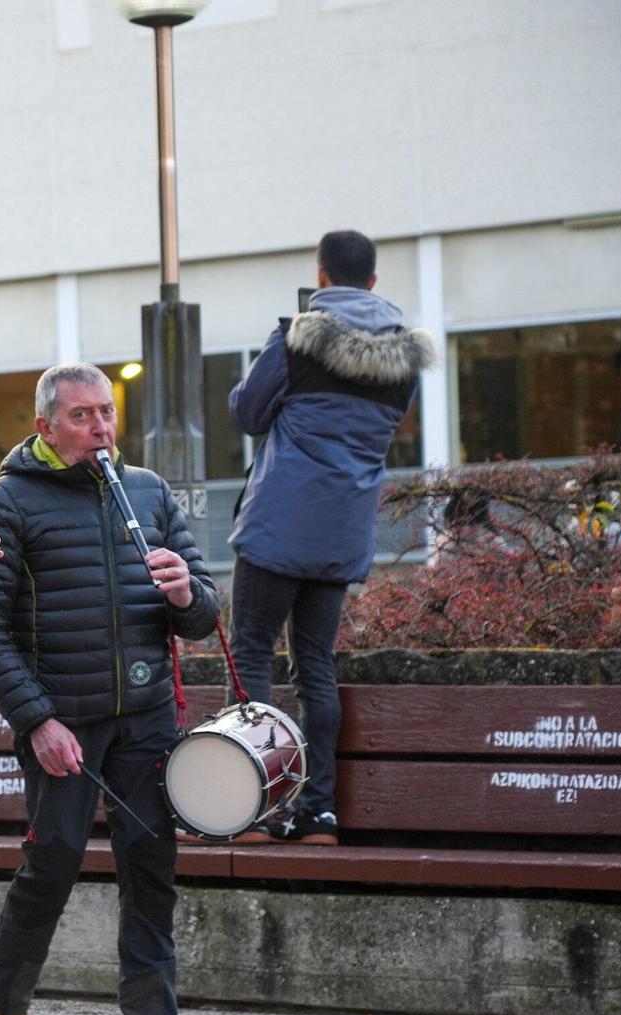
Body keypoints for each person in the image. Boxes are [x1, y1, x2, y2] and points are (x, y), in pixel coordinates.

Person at [0, 363, 221, 1015]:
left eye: (106, 412)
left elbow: (202, 611)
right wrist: (37, 719)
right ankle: (4, 1001)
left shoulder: (147, 491)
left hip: (143, 715)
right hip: (61, 720)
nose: (100, 427)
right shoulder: (9, 500)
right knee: (55, 862)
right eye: (81, 415)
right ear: (45, 427)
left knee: (151, 867)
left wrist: (187, 594)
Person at [228, 229, 436, 846]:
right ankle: (320, 811)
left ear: (321, 276)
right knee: (315, 665)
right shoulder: (404, 363)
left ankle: (254, 806)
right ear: (373, 282)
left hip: (276, 525)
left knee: (251, 655)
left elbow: (246, 413)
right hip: (343, 530)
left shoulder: (297, 339)